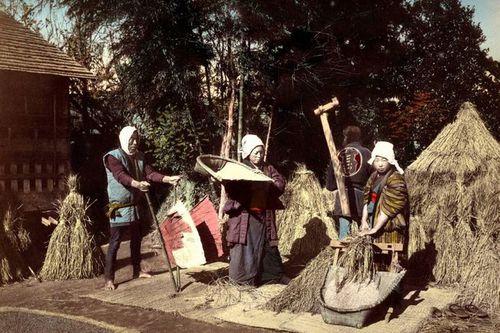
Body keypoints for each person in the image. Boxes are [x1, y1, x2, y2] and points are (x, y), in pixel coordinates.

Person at [103, 126, 181, 290]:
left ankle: (137, 271)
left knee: (136, 240)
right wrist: (138, 184)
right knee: (115, 242)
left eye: (136, 139)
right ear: (124, 140)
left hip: (135, 207)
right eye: (131, 140)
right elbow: (120, 176)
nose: (134, 143)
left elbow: (150, 174)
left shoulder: (139, 157)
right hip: (119, 208)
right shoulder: (113, 157)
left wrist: (167, 179)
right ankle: (109, 279)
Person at [223, 134, 289, 286]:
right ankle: (244, 281)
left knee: (268, 245)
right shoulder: (239, 168)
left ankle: (273, 276)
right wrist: (251, 181)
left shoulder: (268, 168)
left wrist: (268, 182)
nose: (259, 156)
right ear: (247, 153)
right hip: (246, 215)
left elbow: (280, 182)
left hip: (264, 214)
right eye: (255, 153)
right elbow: (231, 187)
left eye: (261, 152)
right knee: (247, 248)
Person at [326, 126, 371, 239]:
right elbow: (374, 179)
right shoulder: (366, 153)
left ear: (346, 138)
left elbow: (330, 186)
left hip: (342, 198)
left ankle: (344, 256)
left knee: (344, 237)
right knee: (366, 234)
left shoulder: (336, 155)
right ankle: (366, 256)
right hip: (362, 198)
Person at [359, 141, 409, 237]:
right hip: (371, 220)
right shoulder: (373, 177)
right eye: (377, 160)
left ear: (390, 161)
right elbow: (367, 199)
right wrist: (364, 220)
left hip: (387, 226)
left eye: (384, 160)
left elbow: (390, 206)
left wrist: (375, 228)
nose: (380, 164)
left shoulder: (395, 178)